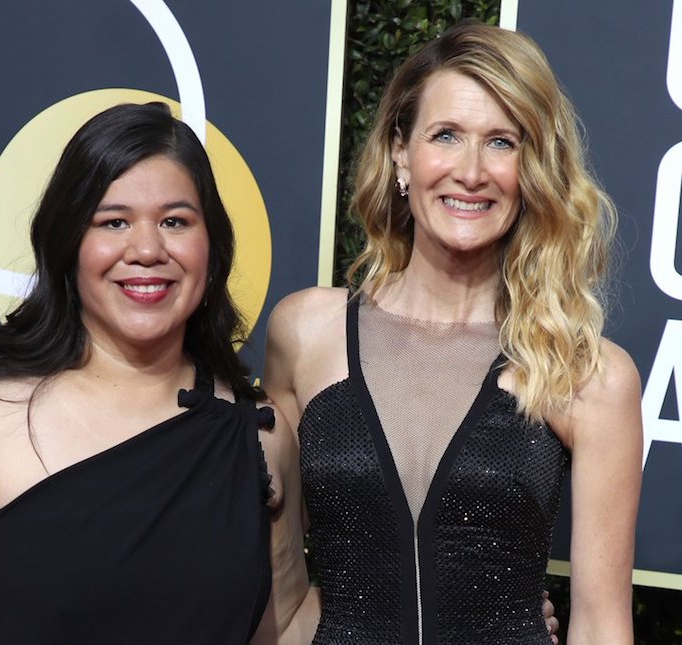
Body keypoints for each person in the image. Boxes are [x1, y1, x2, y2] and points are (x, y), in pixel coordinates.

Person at [263, 22, 642, 644]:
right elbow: (278, 579)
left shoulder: (587, 374)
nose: (472, 172)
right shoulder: (305, 333)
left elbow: (602, 624)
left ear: (534, 169)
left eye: (502, 142)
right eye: (446, 136)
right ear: (399, 151)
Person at [0, 102, 287, 644]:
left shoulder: (258, 437)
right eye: (114, 222)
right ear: (69, 245)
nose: (146, 250)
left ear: (212, 246)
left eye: (174, 222)